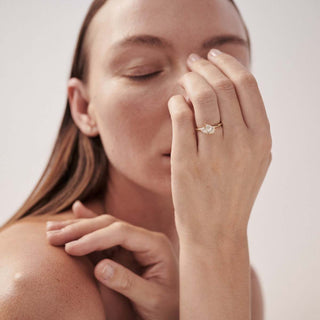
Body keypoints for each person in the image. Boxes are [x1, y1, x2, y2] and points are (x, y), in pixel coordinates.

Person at [0, 0, 271, 319]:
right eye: (143, 71)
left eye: (222, 70)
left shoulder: (238, 280)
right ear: (85, 107)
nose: (196, 99)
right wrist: (218, 243)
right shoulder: (37, 282)